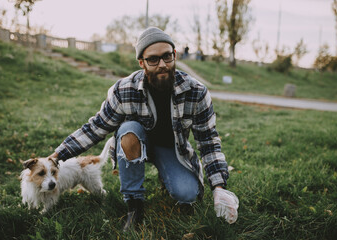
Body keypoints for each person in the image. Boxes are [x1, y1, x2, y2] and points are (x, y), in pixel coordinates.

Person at [48, 27, 239, 231]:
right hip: (134, 143)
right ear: (142, 62)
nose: (162, 65)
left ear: (174, 55)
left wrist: (219, 187)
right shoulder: (124, 89)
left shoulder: (196, 92)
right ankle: (135, 206)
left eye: (167, 56)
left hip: (171, 149)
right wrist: (58, 155)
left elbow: (208, 141)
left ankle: (168, 178)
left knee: (187, 195)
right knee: (129, 129)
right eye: (153, 60)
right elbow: (96, 127)